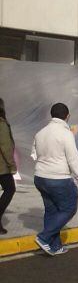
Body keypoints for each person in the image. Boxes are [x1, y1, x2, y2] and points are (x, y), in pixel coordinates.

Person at [32, 103, 78, 256]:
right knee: (69, 208)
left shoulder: (40, 133)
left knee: (51, 210)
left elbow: (34, 154)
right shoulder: (66, 133)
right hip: (58, 178)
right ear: (67, 116)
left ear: (52, 115)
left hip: (40, 177)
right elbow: (73, 158)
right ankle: (44, 237)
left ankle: (55, 246)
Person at [0, 98, 17, 235]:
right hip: (1, 166)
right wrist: (12, 166)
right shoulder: (1, 123)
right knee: (10, 189)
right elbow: (5, 147)